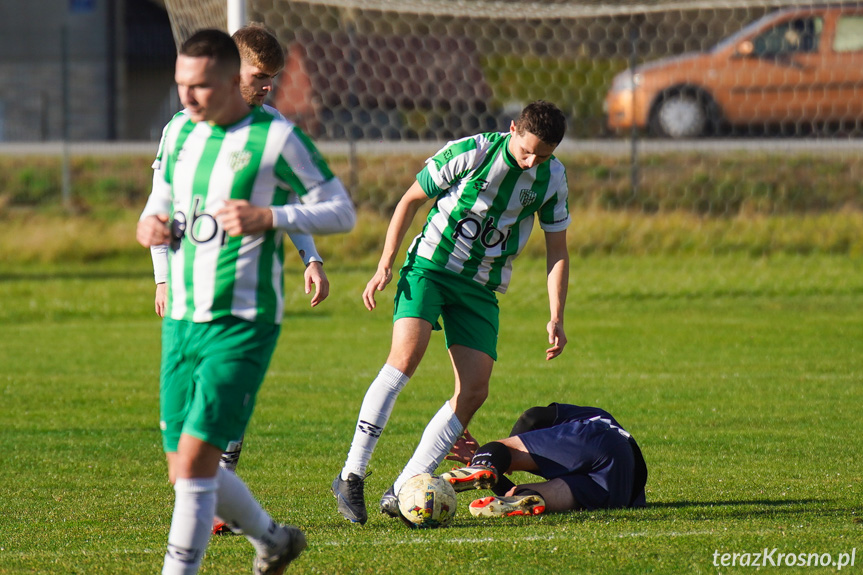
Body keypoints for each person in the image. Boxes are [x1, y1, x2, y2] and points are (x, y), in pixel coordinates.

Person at [136, 29, 354, 574]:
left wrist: (274, 219)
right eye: (183, 84)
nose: (188, 97)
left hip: (242, 319)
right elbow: (159, 201)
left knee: (194, 465)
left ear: (230, 77)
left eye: (201, 86)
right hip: (183, 318)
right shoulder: (180, 131)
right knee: (183, 466)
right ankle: (273, 540)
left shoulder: (276, 138)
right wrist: (152, 232)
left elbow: (341, 210)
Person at [332, 100, 571, 525]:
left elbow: (557, 250)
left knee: (475, 391)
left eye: (543, 154)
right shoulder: (472, 153)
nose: (532, 160)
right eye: (527, 151)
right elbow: (410, 201)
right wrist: (386, 262)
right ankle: (352, 474)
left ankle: (404, 486)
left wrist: (556, 315)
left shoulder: (552, 177)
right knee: (405, 359)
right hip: (431, 266)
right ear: (513, 129)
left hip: (479, 288)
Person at [439, 402, 648, 517]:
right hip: (621, 488)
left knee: (499, 448)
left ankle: (485, 463)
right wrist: (494, 466)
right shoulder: (573, 457)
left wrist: (498, 453)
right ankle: (500, 487)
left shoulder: (582, 419)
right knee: (520, 496)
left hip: (598, 437)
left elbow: (532, 417)